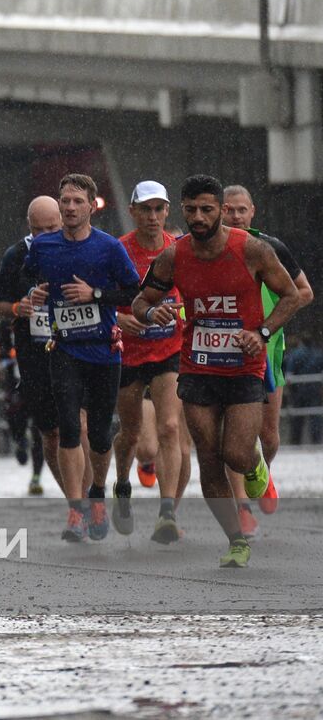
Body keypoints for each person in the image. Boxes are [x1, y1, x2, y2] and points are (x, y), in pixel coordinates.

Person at [132, 175, 302, 567]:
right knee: (209, 457)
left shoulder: (252, 250)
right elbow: (142, 300)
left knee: (237, 454)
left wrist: (261, 332)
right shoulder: (175, 255)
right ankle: (236, 540)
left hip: (244, 367)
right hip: (197, 367)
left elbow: (293, 295)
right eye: (191, 209)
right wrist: (150, 311)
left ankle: (256, 464)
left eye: (207, 209)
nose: (198, 217)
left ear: (221, 210)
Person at [27, 174, 152, 543]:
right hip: (64, 349)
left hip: (103, 352)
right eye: (64, 200)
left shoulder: (109, 247)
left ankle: (98, 492)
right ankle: (75, 509)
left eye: (76, 201)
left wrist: (94, 293)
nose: (68, 207)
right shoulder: (44, 246)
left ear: (91, 206)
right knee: (68, 426)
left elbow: (133, 292)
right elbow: (29, 276)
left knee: (99, 434)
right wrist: (34, 292)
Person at [220, 184, 313, 524]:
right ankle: (242, 507)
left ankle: (263, 470)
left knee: (268, 433)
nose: (235, 216)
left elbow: (305, 293)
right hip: (223, 352)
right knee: (230, 434)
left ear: (252, 211)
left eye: (241, 210)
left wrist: (271, 323)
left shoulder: (270, 247)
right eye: (228, 209)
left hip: (268, 348)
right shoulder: (207, 249)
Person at [111, 181, 187, 544]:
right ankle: (123, 484)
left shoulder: (179, 249)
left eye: (159, 209)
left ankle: (167, 513)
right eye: (146, 209)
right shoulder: (119, 251)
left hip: (169, 351)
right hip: (128, 353)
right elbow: (99, 300)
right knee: (133, 436)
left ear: (168, 211)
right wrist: (117, 318)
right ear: (133, 211)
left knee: (170, 428)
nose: (153, 217)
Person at [0, 196, 64, 497]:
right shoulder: (16, 255)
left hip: (73, 350)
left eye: (53, 228)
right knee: (48, 430)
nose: (46, 236)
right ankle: (75, 497)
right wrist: (17, 308)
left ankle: (91, 494)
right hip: (33, 355)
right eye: (39, 231)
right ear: (29, 227)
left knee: (80, 426)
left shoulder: (76, 249)